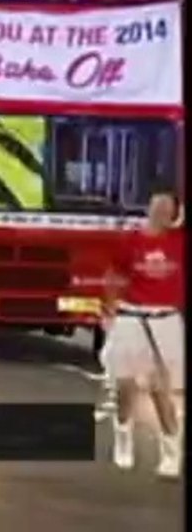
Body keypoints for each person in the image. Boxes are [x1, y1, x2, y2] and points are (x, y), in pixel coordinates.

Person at [102, 190, 184, 479]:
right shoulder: (131, 240)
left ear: (175, 214)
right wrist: (109, 306)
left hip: (166, 319)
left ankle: (171, 453)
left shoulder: (179, 241)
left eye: (167, 208)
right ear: (148, 207)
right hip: (131, 316)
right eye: (157, 206)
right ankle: (123, 435)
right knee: (125, 386)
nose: (161, 212)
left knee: (161, 390)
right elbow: (113, 274)